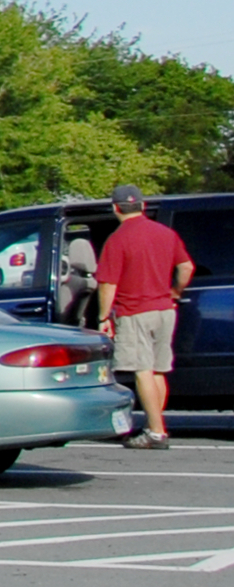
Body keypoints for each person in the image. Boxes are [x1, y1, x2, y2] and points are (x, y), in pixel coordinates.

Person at [94, 185, 194, 449]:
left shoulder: (117, 239)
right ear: (142, 205)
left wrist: (104, 316)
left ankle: (156, 433)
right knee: (158, 370)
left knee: (143, 370)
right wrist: (174, 291)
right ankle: (155, 424)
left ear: (115, 208)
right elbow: (186, 267)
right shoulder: (166, 233)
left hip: (135, 311)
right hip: (165, 310)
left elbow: (108, 284)